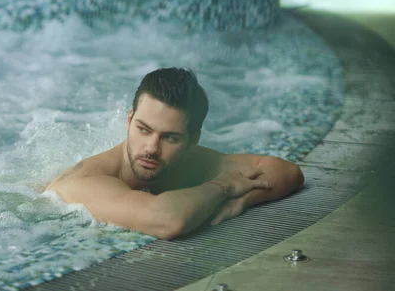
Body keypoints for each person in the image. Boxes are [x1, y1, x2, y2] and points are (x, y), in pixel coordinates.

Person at [45, 67, 304, 240]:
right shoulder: (87, 181)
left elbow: (286, 171)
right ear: (129, 120)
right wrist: (223, 187)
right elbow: (167, 221)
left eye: (169, 137)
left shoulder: (185, 163)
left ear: (193, 139)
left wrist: (241, 200)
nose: (151, 148)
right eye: (143, 130)